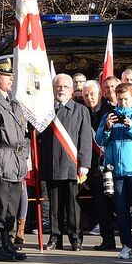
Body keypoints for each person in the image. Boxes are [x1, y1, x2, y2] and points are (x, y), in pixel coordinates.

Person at [95, 82, 132, 259]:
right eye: (119, 99)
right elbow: (100, 140)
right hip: (117, 171)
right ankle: (127, 245)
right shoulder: (109, 115)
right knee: (121, 210)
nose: (122, 103)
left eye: (126, 99)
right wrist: (107, 128)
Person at [39, 74, 93, 251]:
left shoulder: (80, 110)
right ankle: (55, 237)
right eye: (58, 86)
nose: (61, 89)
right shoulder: (46, 110)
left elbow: (85, 139)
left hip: (72, 165)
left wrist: (84, 164)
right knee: (54, 206)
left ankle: (75, 237)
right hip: (51, 164)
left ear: (71, 90)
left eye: (65, 87)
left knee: (72, 206)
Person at [0, 61, 29, 262]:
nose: (11, 79)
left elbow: (23, 133)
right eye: (6, 76)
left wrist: (25, 156)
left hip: (17, 159)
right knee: (0, 204)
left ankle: (7, 242)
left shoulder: (14, 103)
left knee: (12, 205)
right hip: (3, 157)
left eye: (12, 76)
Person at [81, 80, 116, 251]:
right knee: (101, 207)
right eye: (85, 95)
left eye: (91, 94)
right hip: (92, 167)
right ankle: (107, 240)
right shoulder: (82, 111)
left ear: (100, 94)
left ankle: (127, 243)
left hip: (110, 165)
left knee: (117, 207)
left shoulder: (110, 111)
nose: (88, 98)